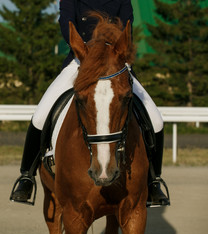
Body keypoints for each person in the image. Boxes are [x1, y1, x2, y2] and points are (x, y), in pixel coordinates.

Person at [10, 0, 170, 207]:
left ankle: (154, 180)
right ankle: (27, 176)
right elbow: (66, 23)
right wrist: (85, 51)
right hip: (81, 60)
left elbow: (126, 25)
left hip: (115, 62)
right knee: (41, 115)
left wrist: (114, 52)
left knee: (155, 119)